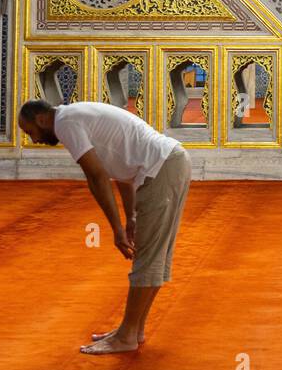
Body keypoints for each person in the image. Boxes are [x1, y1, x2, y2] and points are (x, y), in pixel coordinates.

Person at [18, 99, 191, 355]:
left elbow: (97, 176)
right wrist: (130, 217)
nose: (34, 140)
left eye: (30, 132)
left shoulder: (65, 122)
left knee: (148, 259)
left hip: (162, 169)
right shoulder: (75, 115)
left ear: (42, 119)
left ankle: (127, 335)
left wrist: (117, 229)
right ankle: (134, 330)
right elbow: (119, 173)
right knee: (154, 257)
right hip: (169, 163)